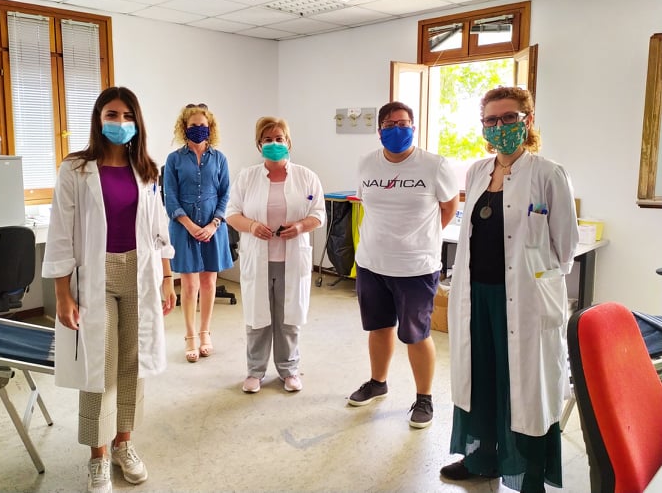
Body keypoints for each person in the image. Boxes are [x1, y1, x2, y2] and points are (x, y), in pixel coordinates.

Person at [441, 86, 579, 493]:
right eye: (491, 119)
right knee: (479, 376)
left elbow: (565, 246)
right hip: (476, 296)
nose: (499, 126)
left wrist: (537, 282)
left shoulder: (548, 173)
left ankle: (529, 474)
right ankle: (481, 458)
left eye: (508, 118)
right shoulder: (476, 172)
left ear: (527, 120)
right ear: (482, 126)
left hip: (524, 301)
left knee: (525, 386)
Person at [42, 86, 177, 493]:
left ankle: (123, 444)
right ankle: (97, 456)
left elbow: (158, 227)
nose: (120, 123)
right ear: (98, 119)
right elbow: (60, 233)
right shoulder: (76, 169)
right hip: (95, 276)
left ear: (137, 122)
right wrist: (62, 293)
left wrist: (167, 277)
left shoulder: (147, 170)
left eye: (127, 116)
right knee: (98, 366)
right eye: (112, 115)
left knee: (132, 363)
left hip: (140, 273)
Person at [347, 101, 458, 430]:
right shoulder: (367, 163)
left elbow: (449, 207)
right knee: (378, 327)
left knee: (416, 335)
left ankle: (424, 397)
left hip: (416, 267)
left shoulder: (434, 165)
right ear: (379, 130)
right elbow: (368, 203)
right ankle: (377, 382)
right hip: (371, 263)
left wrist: (419, 239)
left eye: (404, 123)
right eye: (390, 124)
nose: (398, 129)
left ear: (413, 127)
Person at [225, 117, 325, 393]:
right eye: (268, 139)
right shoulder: (247, 177)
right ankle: (255, 372)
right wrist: (252, 226)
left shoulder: (306, 177)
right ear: (259, 144)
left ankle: (289, 370)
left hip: (291, 260)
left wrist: (301, 226)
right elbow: (231, 213)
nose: (274, 143)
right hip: (258, 259)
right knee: (257, 317)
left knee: (289, 318)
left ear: (288, 142)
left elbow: (319, 214)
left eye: (279, 138)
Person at [164, 103, 232, 363]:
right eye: (193, 126)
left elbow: (225, 193)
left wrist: (213, 224)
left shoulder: (220, 158)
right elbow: (170, 197)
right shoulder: (174, 159)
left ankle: (205, 333)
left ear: (210, 127)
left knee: (209, 283)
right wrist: (190, 226)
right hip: (184, 229)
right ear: (184, 128)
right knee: (190, 285)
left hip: (214, 229)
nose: (199, 130)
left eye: (203, 126)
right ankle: (190, 335)